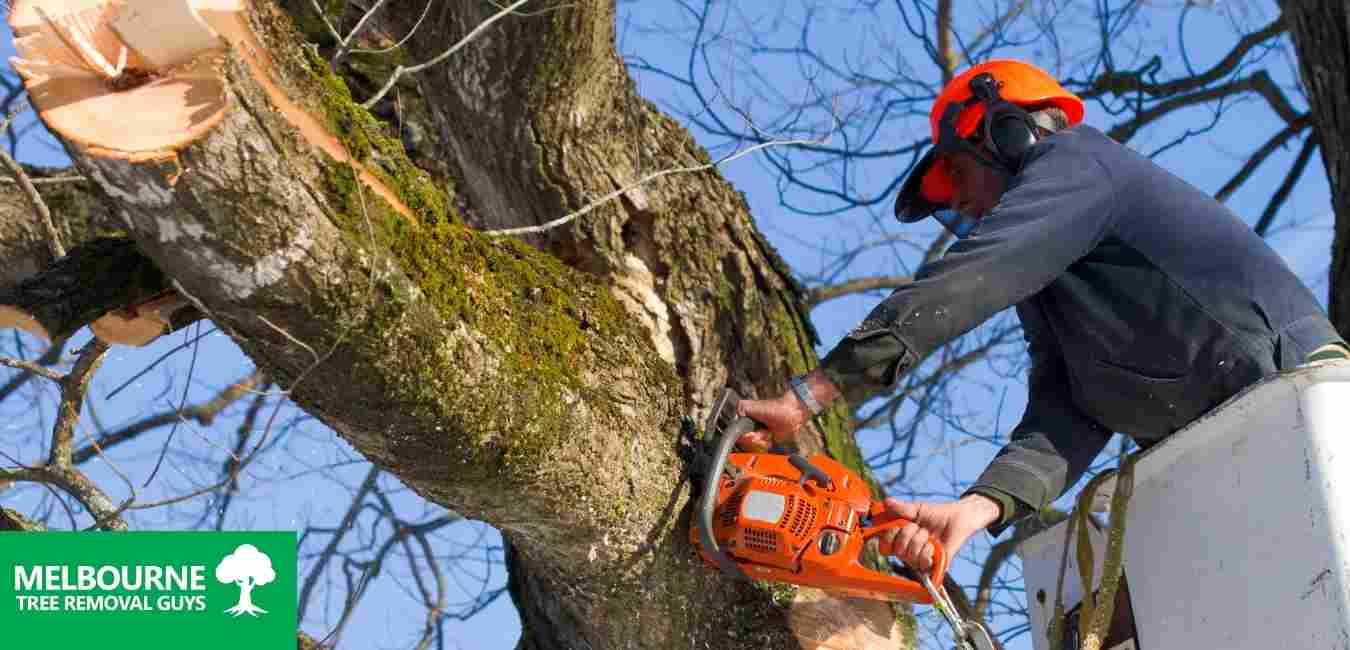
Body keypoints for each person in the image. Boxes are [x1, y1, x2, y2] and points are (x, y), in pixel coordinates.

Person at [734, 59, 1349, 573]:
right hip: (1226, 455)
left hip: (1295, 403)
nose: (964, 201)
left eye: (958, 173)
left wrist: (810, 394)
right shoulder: (1054, 278)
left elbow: (974, 275)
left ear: (1009, 135)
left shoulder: (1080, 165)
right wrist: (975, 510)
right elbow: (1069, 409)